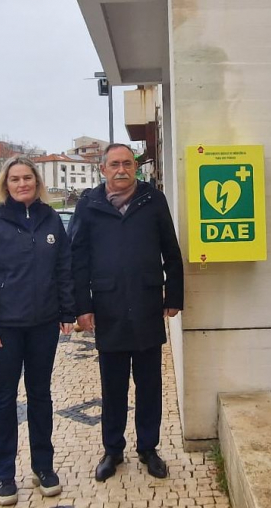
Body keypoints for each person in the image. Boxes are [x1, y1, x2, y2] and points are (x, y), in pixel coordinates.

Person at [70, 143, 184, 482]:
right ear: (103, 169)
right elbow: (78, 260)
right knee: (113, 386)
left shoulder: (153, 201)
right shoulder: (89, 206)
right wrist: (82, 307)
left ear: (136, 168)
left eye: (128, 164)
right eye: (115, 164)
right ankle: (113, 450)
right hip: (108, 308)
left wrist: (173, 296)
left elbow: (172, 252)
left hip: (148, 303)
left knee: (150, 384)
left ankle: (148, 447)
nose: (122, 170)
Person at [0, 156, 75, 506]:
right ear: (5, 184)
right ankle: (4, 474)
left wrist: (66, 312)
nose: (21, 184)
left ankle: (43, 467)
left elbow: (64, 268)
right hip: (4, 330)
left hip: (43, 325)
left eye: (27, 178)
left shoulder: (50, 219)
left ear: (36, 181)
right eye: (14, 179)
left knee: (41, 396)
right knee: (3, 399)